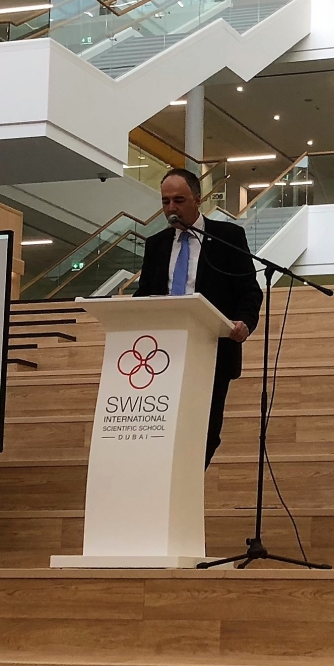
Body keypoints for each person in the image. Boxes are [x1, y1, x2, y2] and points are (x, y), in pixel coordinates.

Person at [135, 167, 261, 465]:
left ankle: (187, 486)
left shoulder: (228, 236)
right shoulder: (156, 245)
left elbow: (249, 290)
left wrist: (244, 322)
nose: (171, 208)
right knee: (165, 428)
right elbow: (144, 294)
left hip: (211, 349)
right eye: (165, 201)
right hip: (161, 352)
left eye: (179, 200)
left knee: (205, 430)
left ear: (198, 199)